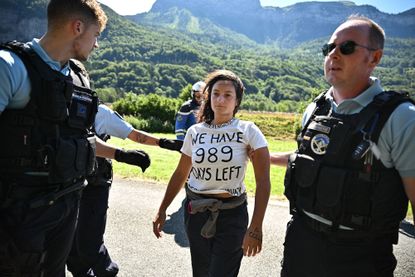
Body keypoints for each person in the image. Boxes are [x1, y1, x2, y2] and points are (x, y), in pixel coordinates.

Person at [0, 1, 149, 276]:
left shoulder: (78, 77)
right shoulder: (10, 67)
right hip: (21, 212)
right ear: (77, 27)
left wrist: (119, 154)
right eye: (96, 36)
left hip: (67, 205)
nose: (96, 45)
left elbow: (78, 139)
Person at [271, 15, 415, 277]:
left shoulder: (401, 118)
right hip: (300, 249)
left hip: (360, 258)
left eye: (346, 47)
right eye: (329, 48)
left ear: (375, 58)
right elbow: (311, 159)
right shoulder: (315, 109)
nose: (333, 55)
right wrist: (265, 156)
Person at [153, 69, 271, 277]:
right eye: (216, 94)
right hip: (196, 212)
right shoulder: (195, 132)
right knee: (201, 271)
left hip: (232, 215)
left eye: (228, 95)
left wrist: (255, 227)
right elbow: (181, 173)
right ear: (208, 98)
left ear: (237, 101)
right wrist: (162, 209)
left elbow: (263, 181)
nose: (221, 100)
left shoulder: (248, 130)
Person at [67, 102, 183, 277]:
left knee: (89, 246)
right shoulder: (58, 104)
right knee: (70, 249)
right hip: (66, 185)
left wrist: (165, 143)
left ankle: (107, 272)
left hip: (95, 184)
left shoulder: (100, 112)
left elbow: (135, 135)